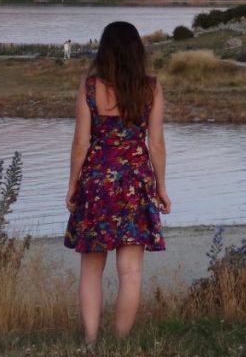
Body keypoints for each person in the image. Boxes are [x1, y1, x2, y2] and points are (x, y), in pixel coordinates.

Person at [64, 21, 170, 347]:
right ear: (138, 51)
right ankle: (121, 344)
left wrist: (72, 184)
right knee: (131, 271)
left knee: (91, 270)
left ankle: (91, 343)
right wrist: (161, 187)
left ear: (104, 50)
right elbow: (157, 143)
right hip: (136, 183)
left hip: (97, 183)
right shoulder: (150, 88)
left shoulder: (90, 87)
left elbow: (82, 142)